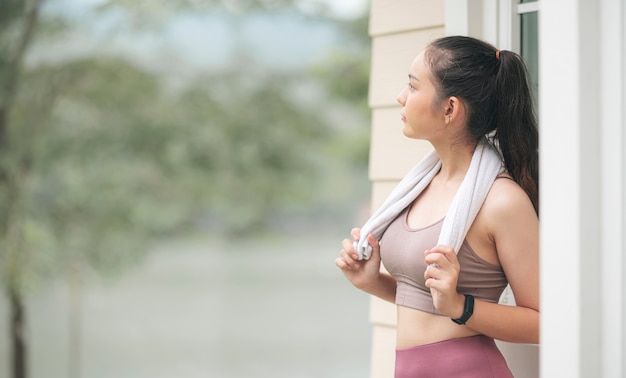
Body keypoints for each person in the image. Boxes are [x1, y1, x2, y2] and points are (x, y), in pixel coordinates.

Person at [335, 35, 539, 377]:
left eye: (413, 87)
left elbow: (542, 323)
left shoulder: (501, 201)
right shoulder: (419, 186)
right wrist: (374, 283)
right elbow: (425, 296)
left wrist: (461, 306)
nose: (401, 96)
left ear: (450, 108)